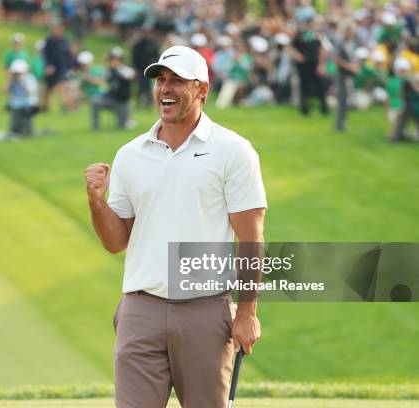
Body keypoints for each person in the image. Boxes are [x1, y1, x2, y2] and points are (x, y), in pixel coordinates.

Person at [84, 45, 266, 408]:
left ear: (202, 90)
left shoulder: (233, 150)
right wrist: (96, 203)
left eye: (177, 81)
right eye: (161, 80)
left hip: (205, 311)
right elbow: (116, 241)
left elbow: (251, 238)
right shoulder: (131, 154)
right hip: (141, 309)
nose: (165, 89)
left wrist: (247, 313)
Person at [91, 46, 135, 131]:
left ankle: (128, 119)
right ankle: (95, 128)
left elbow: (130, 76)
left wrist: (116, 70)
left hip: (123, 102)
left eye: (116, 58)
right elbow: (103, 78)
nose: (114, 61)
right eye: (112, 58)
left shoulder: (126, 69)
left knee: (121, 126)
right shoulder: (109, 70)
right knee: (95, 102)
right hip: (111, 100)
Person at [42, 23, 75, 111]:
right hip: (51, 69)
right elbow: (46, 55)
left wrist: (69, 68)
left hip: (62, 69)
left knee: (62, 88)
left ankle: (64, 107)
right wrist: (48, 65)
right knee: (48, 89)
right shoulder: (49, 41)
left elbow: (68, 56)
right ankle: (46, 107)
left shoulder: (64, 41)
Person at [6, 59, 39, 136]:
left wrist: (22, 81)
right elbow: (6, 91)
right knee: (14, 129)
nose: (17, 75)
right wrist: (10, 79)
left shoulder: (30, 78)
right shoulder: (13, 80)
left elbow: (30, 92)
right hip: (15, 106)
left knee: (26, 131)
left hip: (27, 106)